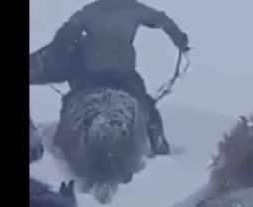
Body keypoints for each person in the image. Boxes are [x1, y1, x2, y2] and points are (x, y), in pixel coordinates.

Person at [31, 0, 189, 154]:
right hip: (123, 73)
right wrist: (180, 40)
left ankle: (60, 140)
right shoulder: (134, 9)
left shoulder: (90, 11)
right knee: (145, 103)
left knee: (70, 100)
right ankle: (157, 141)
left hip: (91, 73)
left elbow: (64, 37)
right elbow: (163, 20)